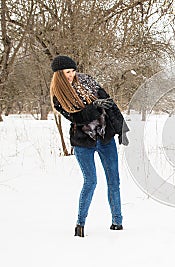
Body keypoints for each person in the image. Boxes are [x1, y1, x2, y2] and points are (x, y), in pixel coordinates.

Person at [50, 55, 129, 237]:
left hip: (104, 137)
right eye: (67, 72)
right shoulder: (58, 95)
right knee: (91, 181)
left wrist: (122, 128)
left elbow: (110, 104)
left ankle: (117, 222)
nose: (72, 75)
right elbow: (77, 117)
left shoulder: (86, 81)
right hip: (83, 142)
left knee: (114, 180)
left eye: (73, 71)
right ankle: (80, 223)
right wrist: (95, 106)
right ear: (59, 75)